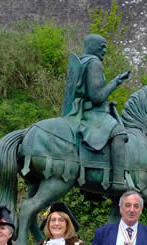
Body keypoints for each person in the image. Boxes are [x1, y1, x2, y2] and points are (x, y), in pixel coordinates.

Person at [62, 33, 132, 189]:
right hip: (92, 113)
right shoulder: (94, 63)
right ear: (92, 46)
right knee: (119, 134)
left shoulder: (81, 62)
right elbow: (97, 97)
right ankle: (119, 181)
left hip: (79, 110)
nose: (105, 50)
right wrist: (115, 82)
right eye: (102, 47)